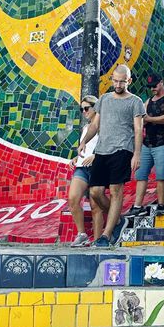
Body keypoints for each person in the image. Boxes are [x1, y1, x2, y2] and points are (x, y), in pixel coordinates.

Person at [78, 65, 145, 248]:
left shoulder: (135, 101)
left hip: (123, 149)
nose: (117, 84)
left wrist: (136, 154)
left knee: (116, 191)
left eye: (121, 81)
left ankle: (106, 236)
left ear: (128, 81)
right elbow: (95, 125)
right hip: (102, 150)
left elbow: (138, 129)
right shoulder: (105, 99)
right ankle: (118, 220)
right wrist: (84, 141)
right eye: (114, 80)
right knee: (95, 192)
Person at [128, 72, 164, 217]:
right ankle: (138, 205)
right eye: (150, 87)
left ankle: (161, 205)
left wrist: (150, 119)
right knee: (141, 175)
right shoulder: (148, 101)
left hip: (163, 142)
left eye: (155, 86)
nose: (153, 89)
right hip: (147, 143)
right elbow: (141, 119)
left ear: (161, 82)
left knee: (161, 175)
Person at [69, 96, 105, 247]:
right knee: (73, 198)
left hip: (98, 167)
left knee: (95, 205)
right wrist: (76, 158)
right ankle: (82, 234)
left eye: (86, 108)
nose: (84, 112)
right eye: (81, 109)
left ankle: (97, 240)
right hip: (82, 167)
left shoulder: (105, 125)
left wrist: (96, 156)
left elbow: (109, 145)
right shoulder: (86, 128)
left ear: (95, 107)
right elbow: (84, 148)